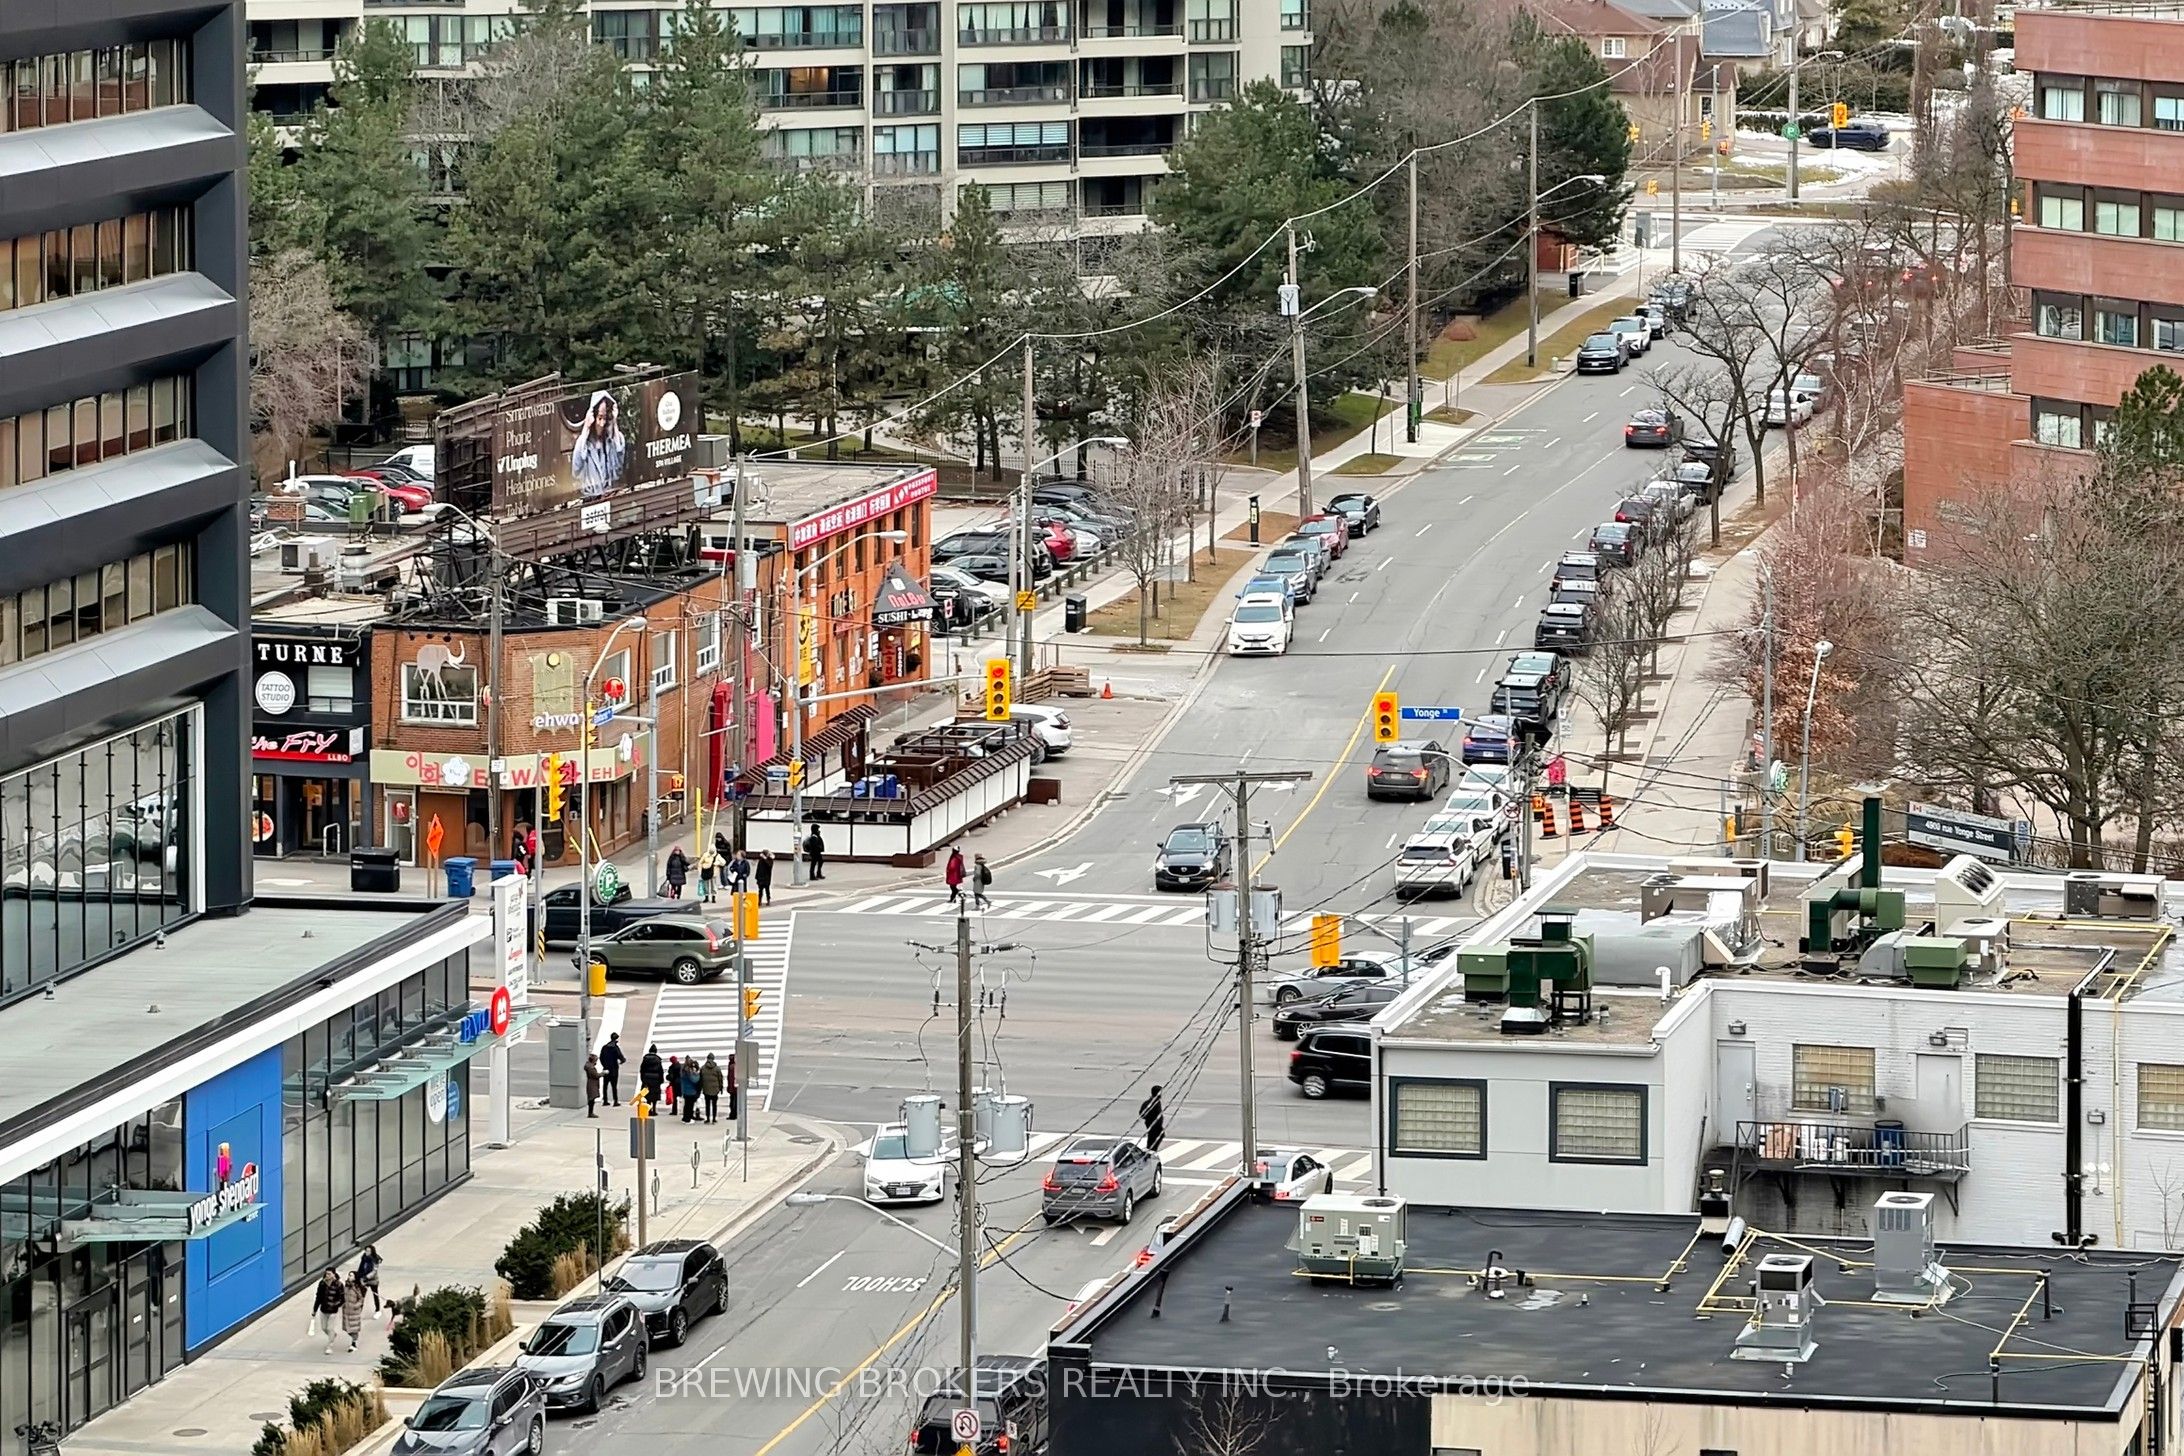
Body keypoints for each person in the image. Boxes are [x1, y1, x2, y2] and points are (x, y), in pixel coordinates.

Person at [569, 390, 627, 502]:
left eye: (605, 418)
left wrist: (614, 422)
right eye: (600, 418)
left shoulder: (610, 442)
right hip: (591, 501)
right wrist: (586, 427)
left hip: (610, 498)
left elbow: (619, 468)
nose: (602, 423)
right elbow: (576, 470)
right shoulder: (584, 444)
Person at [310, 1269, 344, 1344]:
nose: (327, 1275)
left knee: (330, 1328)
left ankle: (330, 1344)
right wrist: (315, 1310)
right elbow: (318, 1297)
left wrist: (336, 1305)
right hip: (323, 1309)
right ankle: (332, 1335)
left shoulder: (339, 1284)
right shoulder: (322, 1283)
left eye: (329, 1274)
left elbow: (342, 1298)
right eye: (326, 1274)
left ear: (334, 1274)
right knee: (324, 1328)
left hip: (333, 1310)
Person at [338, 1272, 367, 1354]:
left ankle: (354, 1343)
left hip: (354, 1311)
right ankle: (354, 1340)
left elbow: (361, 1299)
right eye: (349, 1275)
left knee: (354, 1329)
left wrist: (356, 1306)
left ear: (355, 1277)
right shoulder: (346, 1285)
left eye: (351, 1275)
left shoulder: (357, 1287)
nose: (349, 1276)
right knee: (347, 1328)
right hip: (346, 1310)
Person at [599, 1033, 626, 1105]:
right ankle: (615, 1101)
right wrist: (622, 1061)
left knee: (605, 1085)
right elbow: (621, 1057)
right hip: (614, 1069)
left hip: (606, 1069)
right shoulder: (615, 1048)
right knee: (614, 1086)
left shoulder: (604, 1047)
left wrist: (604, 1065)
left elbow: (601, 1057)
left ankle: (605, 1100)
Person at [356, 1245, 384, 1313]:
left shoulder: (375, 1259)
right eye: (366, 1250)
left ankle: (377, 1309)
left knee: (375, 1295)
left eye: (368, 1251)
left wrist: (365, 1277)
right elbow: (361, 1268)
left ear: (372, 1252)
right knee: (361, 1295)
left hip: (373, 1280)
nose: (367, 1252)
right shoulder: (364, 1258)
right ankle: (359, 1309)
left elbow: (374, 1272)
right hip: (364, 1280)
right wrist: (359, 1276)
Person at [1138, 1084, 1165, 1153]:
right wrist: (1150, 1118)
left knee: (1157, 1137)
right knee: (1153, 1139)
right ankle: (1150, 1151)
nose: (1161, 1094)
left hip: (1157, 1125)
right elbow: (1142, 1114)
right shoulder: (1150, 1103)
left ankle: (1152, 1150)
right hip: (1152, 1125)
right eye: (1160, 1092)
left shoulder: (1157, 1101)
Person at [699, 1052, 724, 1123]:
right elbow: (720, 1079)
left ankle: (707, 1118)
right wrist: (721, 1088)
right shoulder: (717, 1068)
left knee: (707, 1105)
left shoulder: (703, 1068)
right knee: (714, 1105)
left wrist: (700, 1088)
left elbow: (700, 1079)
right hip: (715, 1089)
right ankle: (714, 1118)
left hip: (706, 1088)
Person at [680, 1056, 701, 1122]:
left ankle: (685, 1117)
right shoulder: (688, 1071)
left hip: (685, 1090)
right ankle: (688, 1118)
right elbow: (694, 1080)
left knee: (686, 1105)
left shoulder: (683, 1070)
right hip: (691, 1090)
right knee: (690, 1105)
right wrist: (697, 1075)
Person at [583, 1053, 601, 1118]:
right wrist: (603, 1073)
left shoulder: (589, 1066)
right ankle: (590, 1113)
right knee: (592, 1098)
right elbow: (596, 1075)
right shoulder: (591, 1068)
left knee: (591, 1098)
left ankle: (590, 1112)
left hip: (591, 1083)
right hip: (592, 1084)